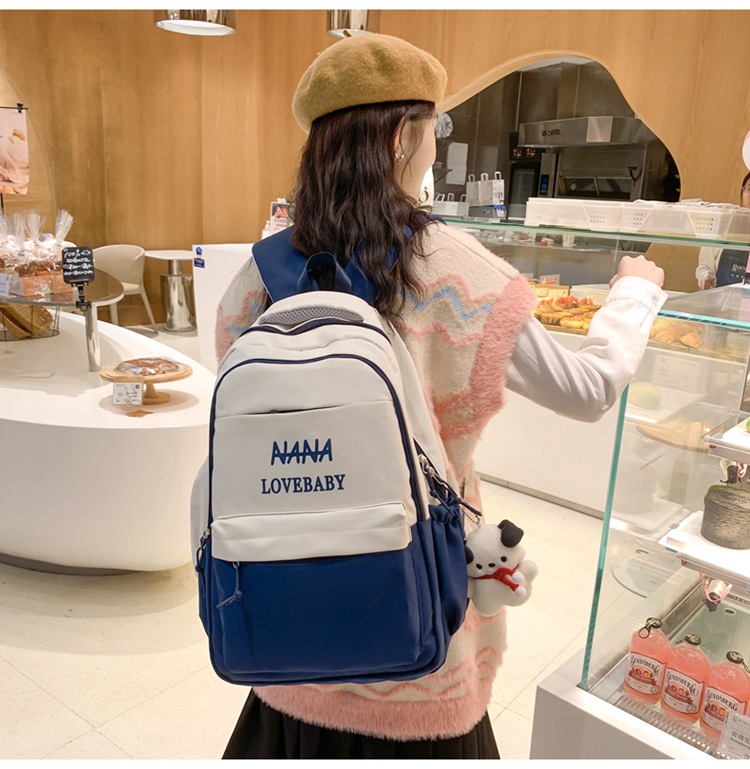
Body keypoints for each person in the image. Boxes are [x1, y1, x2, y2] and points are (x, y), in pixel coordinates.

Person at [213, 33, 666, 760]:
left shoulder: (263, 271)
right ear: (403, 135)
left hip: (286, 614)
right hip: (415, 610)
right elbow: (588, 390)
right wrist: (633, 294)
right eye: (434, 129)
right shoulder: (457, 270)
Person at [695, 171, 750, 289]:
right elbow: (704, 267)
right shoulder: (722, 226)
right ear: (742, 193)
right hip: (721, 298)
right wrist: (706, 277)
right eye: (749, 189)